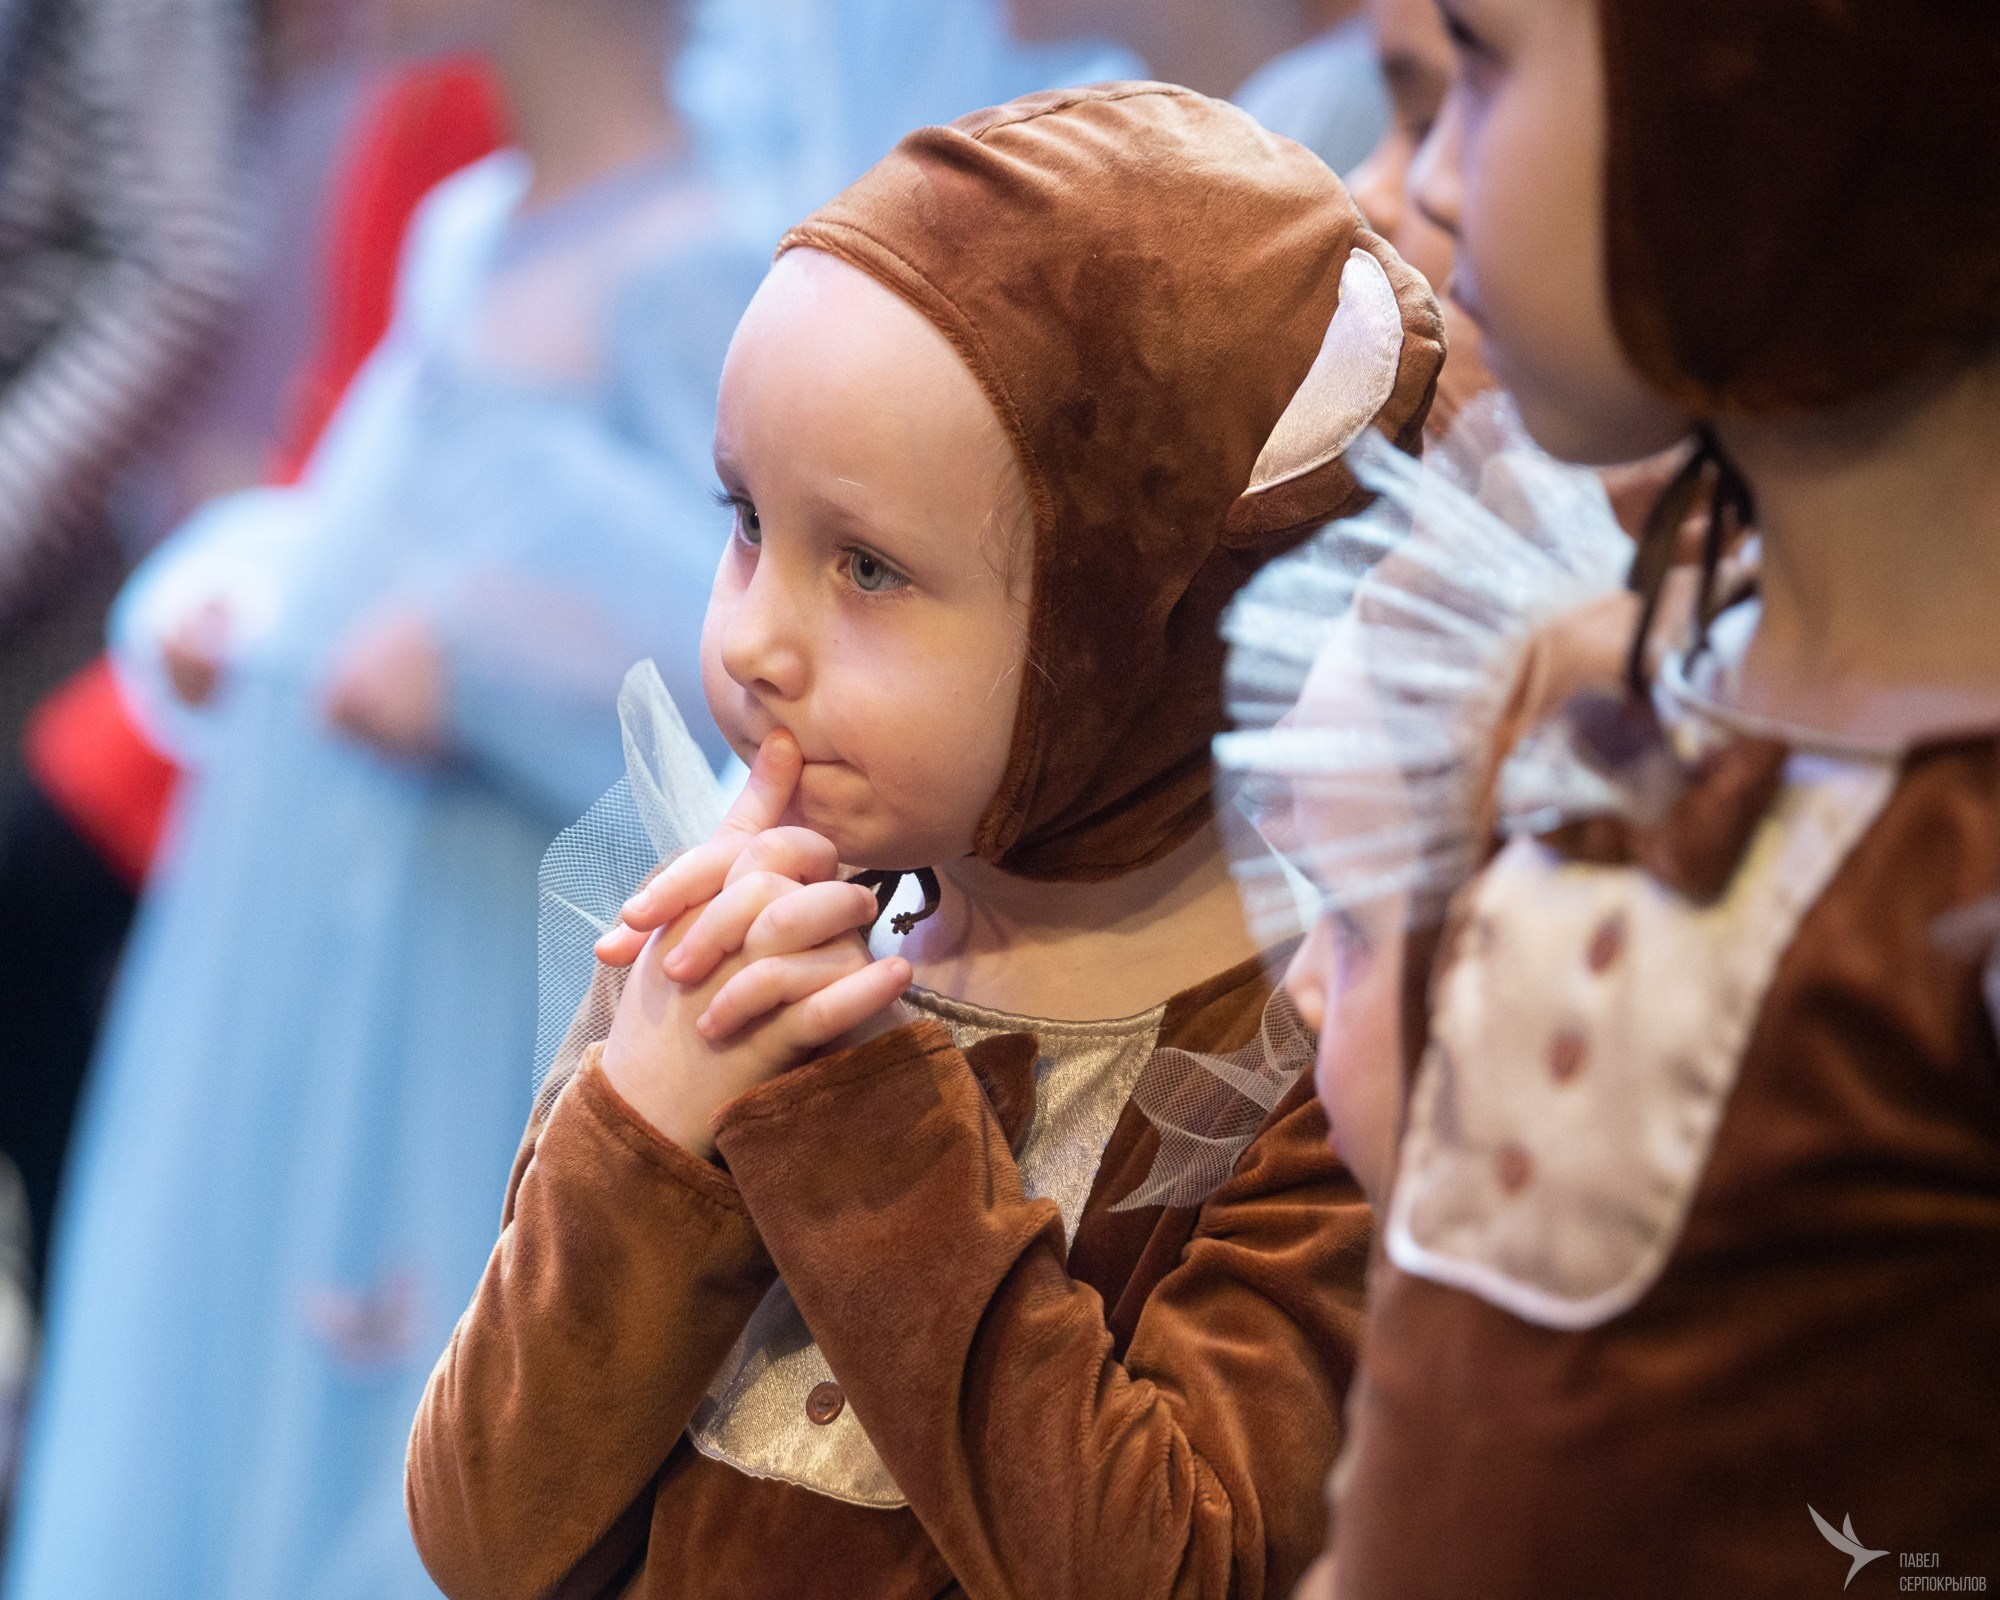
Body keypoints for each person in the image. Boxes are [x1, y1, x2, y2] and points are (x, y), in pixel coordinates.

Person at [407, 83, 1443, 1600]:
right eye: (746, 521)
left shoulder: (1321, 1062)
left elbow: (1176, 1570)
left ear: (1141, 634)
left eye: (871, 569)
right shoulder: (743, 954)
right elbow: (486, 1541)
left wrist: (851, 1117)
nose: (756, 639)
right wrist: (640, 1124)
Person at [1230, 0, 2000, 1590]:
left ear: (1780, 98)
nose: (1429, 185)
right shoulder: (1624, 696)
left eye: (1485, 70)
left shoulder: (1963, 873)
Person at [0, 0, 762, 1593]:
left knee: (411, 1327)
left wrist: (474, 661)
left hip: (474, 929)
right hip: (319, 904)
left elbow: (732, 653)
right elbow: (381, 510)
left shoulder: (702, 255)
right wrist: (249, 606)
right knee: (267, 1307)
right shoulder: (466, 222)